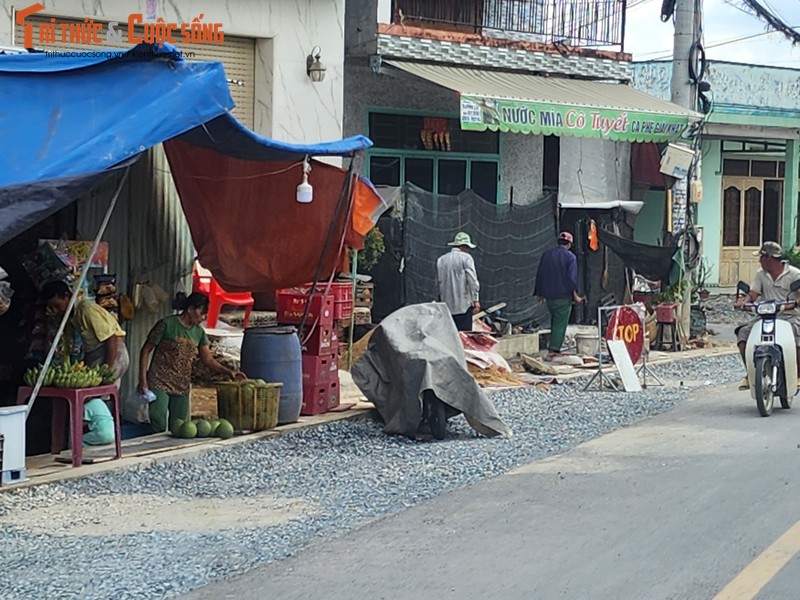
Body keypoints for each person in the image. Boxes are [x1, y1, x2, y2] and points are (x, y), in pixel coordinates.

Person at [138, 292, 245, 433]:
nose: (203, 317)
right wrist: (143, 380)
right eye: (202, 313)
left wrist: (228, 372)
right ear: (190, 309)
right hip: (159, 380)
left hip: (181, 384)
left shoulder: (199, 333)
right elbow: (145, 351)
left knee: (180, 427)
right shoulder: (167, 324)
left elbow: (208, 359)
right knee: (158, 419)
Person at [734, 241, 800, 390]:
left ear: (769, 258)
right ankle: (750, 373)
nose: (759, 260)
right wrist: (746, 301)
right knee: (743, 334)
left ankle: (797, 374)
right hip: (765, 316)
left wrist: (795, 303)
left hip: (789, 316)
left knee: (796, 337)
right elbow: (753, 293)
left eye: (761, 257)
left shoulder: (794, 274)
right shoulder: (760, 274)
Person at [41, 280, 130, 377]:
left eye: (57, 306)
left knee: (101, 389)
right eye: (51, 308)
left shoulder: (86, 309)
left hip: (112, 353)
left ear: (67, 296)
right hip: (95, 354)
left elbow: (111, 337)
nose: (55, 310)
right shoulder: (71, 316)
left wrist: (106, 369)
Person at [534, 231, 585, 358]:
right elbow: (571, 279)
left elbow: (540, 274)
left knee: (554, 321)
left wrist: (539, 293)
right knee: (560, 323)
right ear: (569, 244)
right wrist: (575, 296)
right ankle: (554, 349)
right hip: (563, 297)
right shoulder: (570, 257)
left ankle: (553, 346)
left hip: (549, 297)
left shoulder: (547, 255)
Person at [437, 232, 480, 331]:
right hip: (464, 305)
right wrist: (476, 299)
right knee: (464, 335)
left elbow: (439, 282)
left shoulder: (441, 260)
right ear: (464, 246)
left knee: (451, 335)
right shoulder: (466, 258)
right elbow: (472, 280)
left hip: (447, 307)